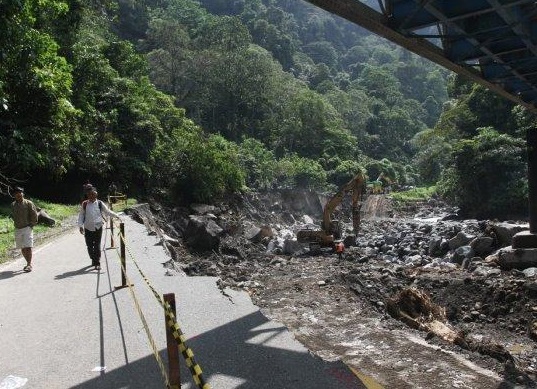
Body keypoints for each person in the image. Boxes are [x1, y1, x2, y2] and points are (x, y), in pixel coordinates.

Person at [78, 187, 121, 270]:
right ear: (87, 195)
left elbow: (107, 211)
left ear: (96, 195)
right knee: (89, 246)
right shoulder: (85, 204)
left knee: (97, 245)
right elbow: (81, 215)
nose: (91, 196)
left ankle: (97, 262)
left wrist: (116, 215)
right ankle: (93, 259)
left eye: (93, 194)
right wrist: (80, 226)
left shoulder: (100, 203)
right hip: (88, 227)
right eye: (89, 194)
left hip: (98, 227)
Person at [11, 187, 38, 272]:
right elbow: (13, 216)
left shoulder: (28, 203)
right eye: (17, 193)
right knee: (22, 248)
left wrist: (31, 225)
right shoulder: (13, 205)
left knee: (28, 247)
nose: (19, 194)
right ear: (14, 195)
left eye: (20, 192)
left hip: (27, 228)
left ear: (23, 194)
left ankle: (29, 265)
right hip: (18, 229)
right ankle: (27, 263)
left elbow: (34, 214)